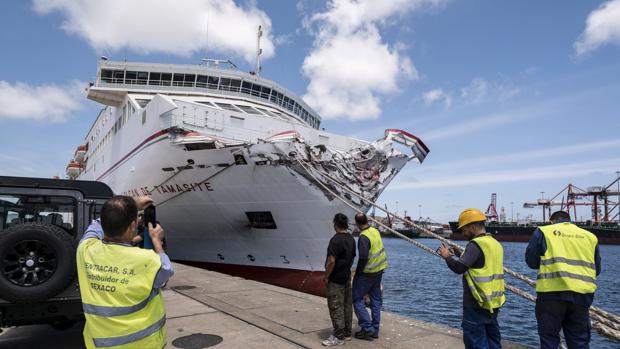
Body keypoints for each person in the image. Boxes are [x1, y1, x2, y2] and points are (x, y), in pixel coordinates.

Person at [76, 196, 173, 349]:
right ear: (132, 226)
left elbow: (95, 225)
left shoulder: (86, 249)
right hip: (144, 344)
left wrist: (131, 206)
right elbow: (166, 270)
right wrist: (157, 241)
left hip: (100, 344)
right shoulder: (146, 259)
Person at [525, 210, 601, 349]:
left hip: (551, 294)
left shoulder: (544, 231)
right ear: (570, 220)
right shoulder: (590, 236)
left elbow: (531, 262)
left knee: (550, 340)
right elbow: (597, 269)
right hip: (582, 296)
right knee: (579, 341)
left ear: (551, 221)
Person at [438, 208, 505, 349]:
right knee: (493, 340)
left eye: (464, 229)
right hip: (493, 303)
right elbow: (482, 263)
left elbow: (459, 268)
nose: (463, 233)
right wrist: (460, 253)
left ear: (473, 227)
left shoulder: (475, 245)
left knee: (475, 343)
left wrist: (447, 256)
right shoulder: (495, 243)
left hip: (476, 303)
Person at [322, 213, 357, 346]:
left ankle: (338, 336)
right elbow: (352, 256)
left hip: (335, 279)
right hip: (346, 277)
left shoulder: (335, 240)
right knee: (347, 306)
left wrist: (326, 276)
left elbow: (331, 260)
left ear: (335, 224)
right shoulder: (351, 239)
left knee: (336, 307)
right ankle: (347, 333)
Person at [352, 213, 387, 341]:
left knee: (357, 299)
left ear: (356, 223)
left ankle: (367, 328)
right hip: (379, 271)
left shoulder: (363, 237)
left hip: (367, 273)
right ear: (367, 220)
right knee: (376, 300)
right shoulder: (375, 231)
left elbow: (363, 258)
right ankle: (375, 329)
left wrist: (357, 273)